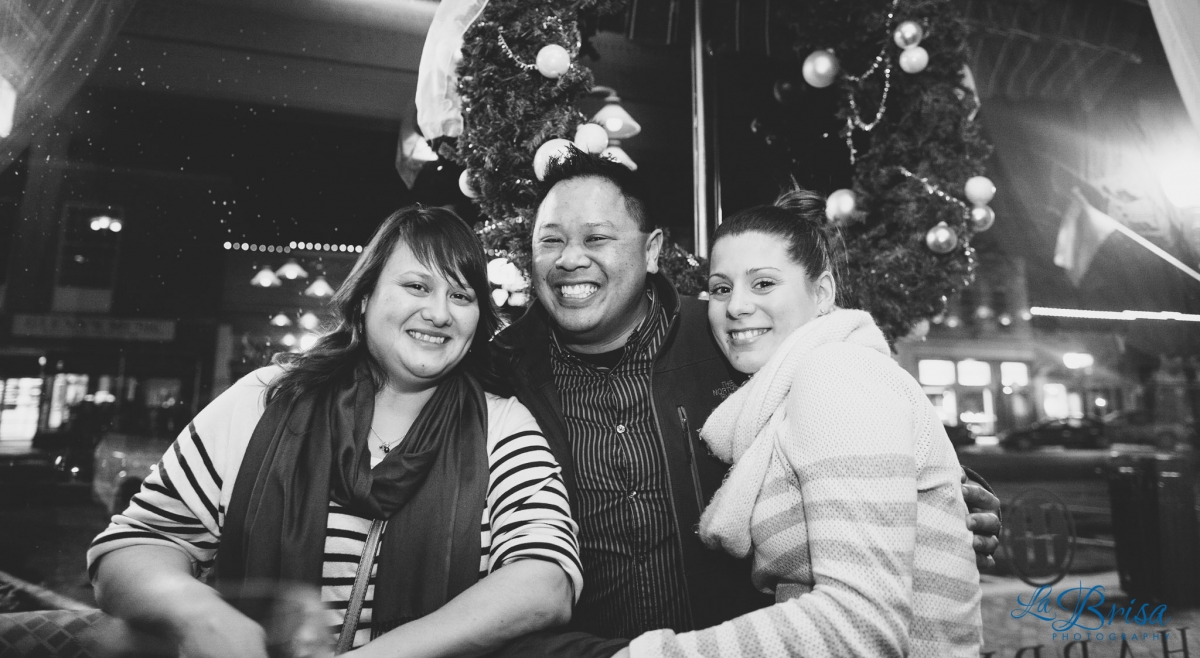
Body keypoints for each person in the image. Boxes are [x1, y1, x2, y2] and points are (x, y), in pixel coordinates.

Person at [493, 149, 1000, 657]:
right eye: (550, 240)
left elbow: (862, 436)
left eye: (596, 238)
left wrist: (950, 497)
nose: (570, 258)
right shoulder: (500, 373)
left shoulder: (732, 343)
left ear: (652, 250)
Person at [88, 205, 584, 658]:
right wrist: (200, 614)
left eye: (460, 296)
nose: (439, 313)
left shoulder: (501, 424)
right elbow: (131, 547)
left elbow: (545, 581)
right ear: (365, 297)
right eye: (417, 286)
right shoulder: (266, 400)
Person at [617, 189, 982, 657]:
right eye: (721, 288)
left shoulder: (838, 373)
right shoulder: (778, 403)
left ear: (822, 292)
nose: (736, 306)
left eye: (763, 283)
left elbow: (862, 626)